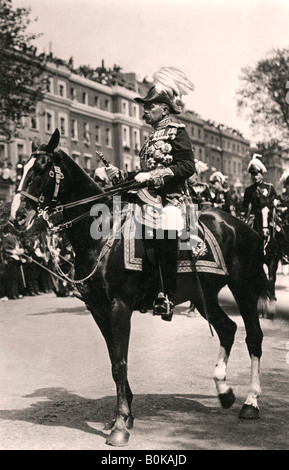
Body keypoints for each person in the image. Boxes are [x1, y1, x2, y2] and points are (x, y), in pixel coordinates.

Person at [105, 67, 196, 321]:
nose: (145, 110)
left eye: (149, 106)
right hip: (147, 197)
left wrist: (155, 176)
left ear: (164, 109)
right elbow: (142, 173)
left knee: (165, 226)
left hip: (171, 198)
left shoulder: (178, 131)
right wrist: (121, 176)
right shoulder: (149, 140)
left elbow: (187, 166)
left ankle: (166, 294)